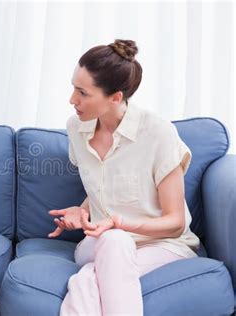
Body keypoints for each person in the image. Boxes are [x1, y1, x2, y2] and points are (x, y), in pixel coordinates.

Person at [48, 39, 199, 315]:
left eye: (82, 93)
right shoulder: (76, 128)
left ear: (115, 97)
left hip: (161, 245)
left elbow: (175, 222)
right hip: (98, 243)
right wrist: (81, 210)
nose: (72, 100)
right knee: (114, 241)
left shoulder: (158, 133)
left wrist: (121, 223)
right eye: (73, 88)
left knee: (88, 281)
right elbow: (106, 184)